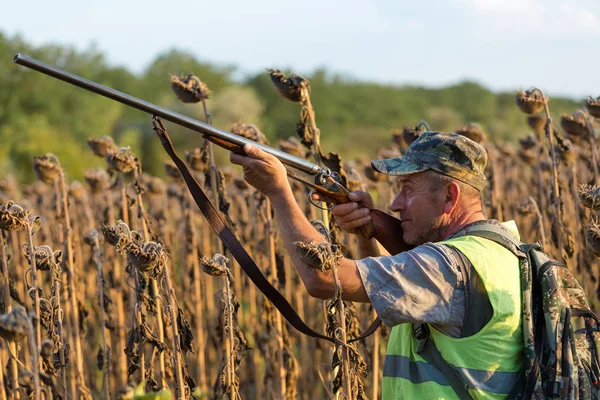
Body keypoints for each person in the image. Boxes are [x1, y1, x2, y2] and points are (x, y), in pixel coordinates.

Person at [230, 131, 524, 399]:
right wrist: (367, 231)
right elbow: (393, 289)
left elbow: (322, 278)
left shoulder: (446, 266)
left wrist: (278, 192)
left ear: (450, 195)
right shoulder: (499, 251)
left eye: (408, 188)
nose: (396, 203)